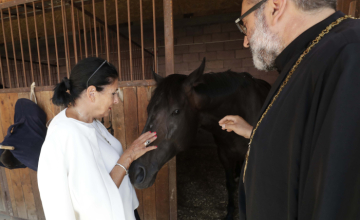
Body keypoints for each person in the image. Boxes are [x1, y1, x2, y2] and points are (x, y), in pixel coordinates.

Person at [218, 0, 360, 219]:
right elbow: (302, 148)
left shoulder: (349, 56)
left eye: (245, 25)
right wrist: (253, 132)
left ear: (275, 6)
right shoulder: (307, 58)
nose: (246, 41)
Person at [37, 57, 157, 220]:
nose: (116, 100)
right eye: (113, 93)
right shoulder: (62, 135)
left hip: (125, 211)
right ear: (92, 92)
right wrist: (127, 157)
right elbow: (94, 201)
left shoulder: (91, 122)